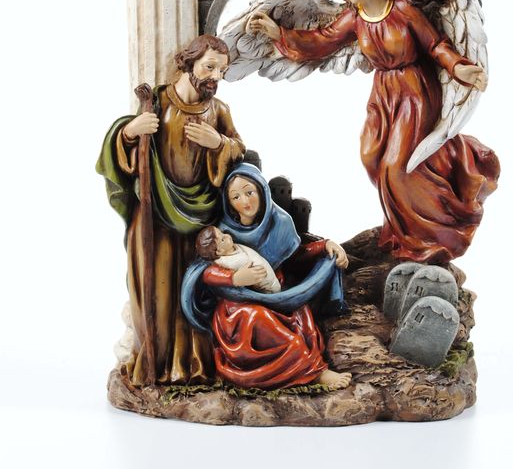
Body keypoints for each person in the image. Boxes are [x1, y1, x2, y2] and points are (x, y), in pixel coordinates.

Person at [248, 0, 500, 264]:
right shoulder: (355, 18)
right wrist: (279, 33)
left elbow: (435, 44)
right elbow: (323, 40)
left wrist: (460, 68)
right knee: (372, 157)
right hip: (383, 93)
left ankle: (428, 237)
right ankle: (402, 228)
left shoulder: (403, 8)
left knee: (397, 167)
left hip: (415, 91)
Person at [97, 35, 245, 386]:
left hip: (200, 219)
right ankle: (154, 364)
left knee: (193, 294)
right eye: (209, 67)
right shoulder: (157, 101)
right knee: (153, 294)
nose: (215, 77)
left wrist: (219, 143)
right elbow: (119, 150)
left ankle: (191, 365)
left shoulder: (219, 111)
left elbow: (239, 148)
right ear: (188, 63)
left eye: (222, 71)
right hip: (155, 216)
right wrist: (130, 131)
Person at [181, 163, 352, 391]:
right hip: (238, 305)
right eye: (236, 196)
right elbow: (204, 271)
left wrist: (324, 245)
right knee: (259, 318)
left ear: (262, 191)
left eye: (249, 192)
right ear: (229, 202)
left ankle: (311, 365)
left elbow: (295, 256)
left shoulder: (280, 222)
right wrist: (235, 279)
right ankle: (314, 371)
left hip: (278, 294)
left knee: (302, 315)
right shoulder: (221, 232)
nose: (245, 201)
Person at [196, 225, 281, 293]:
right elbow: (209, 274)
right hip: (267, 288)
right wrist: (235, 278)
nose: (227, 235)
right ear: (219, 251)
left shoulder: (230, 248)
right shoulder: (232, 262)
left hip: (271, 278)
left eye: (222, 233)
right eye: (222, 239)